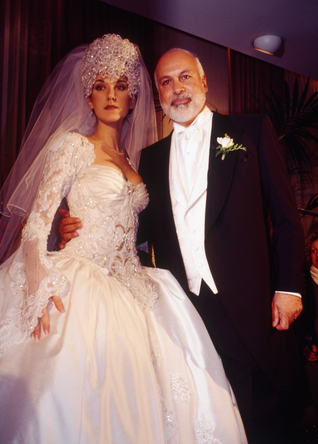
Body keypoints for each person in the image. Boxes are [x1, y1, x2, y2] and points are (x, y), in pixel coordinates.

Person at [0, 35, 247, 443]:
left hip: (134, 281)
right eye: (100, 86)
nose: (110, 95)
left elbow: (142, 230)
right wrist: (38, 284)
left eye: (120, 86)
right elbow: (34, 226)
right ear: (88, 96)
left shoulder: (137, 160)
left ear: (133, 98)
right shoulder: (72, 147)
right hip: (82, 280)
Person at [137, 49, 306, 443]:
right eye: (166, 82)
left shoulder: (250, 130)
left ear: (204, 82)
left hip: (256, 308)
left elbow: (285, 219)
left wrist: (289, 288)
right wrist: (75, 224)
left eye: (185, 77)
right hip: (190, 315)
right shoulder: (150, 158)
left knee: (264, 420)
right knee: (211, 419)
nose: (177, 89)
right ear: (159, 94)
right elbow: (138, 231)